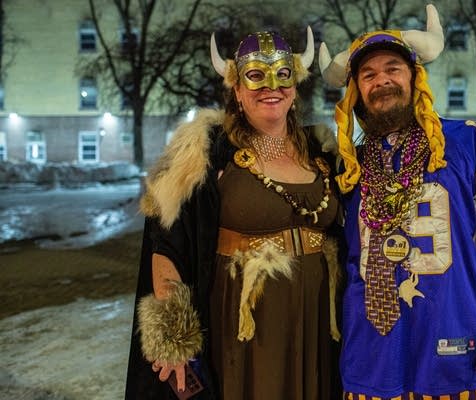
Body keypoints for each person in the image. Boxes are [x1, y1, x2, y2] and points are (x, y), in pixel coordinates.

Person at [319, 4, 476, 399]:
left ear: (415, 78)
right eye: (368, 75)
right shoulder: (350, 165)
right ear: (356, 92)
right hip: (369, 355)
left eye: (392, 69)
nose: (381, 80)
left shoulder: (469, 142)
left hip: (451, 346)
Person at [125, 27, 343, 400]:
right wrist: (172, 331)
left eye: (283, 75)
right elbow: (166, 241)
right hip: (245, 321)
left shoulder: (320, 149)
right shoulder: (206, 150)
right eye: (255, 76)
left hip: (318, 315)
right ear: (237, 90)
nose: (270, 86)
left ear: (295, 85)